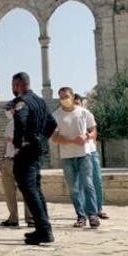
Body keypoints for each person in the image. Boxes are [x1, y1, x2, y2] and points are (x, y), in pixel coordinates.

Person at [10, 72, 57, 245]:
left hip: (27, 151)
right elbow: (52, 124)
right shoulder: (40, 101)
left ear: (18, 85)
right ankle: (43, 228)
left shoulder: (22, 102)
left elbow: (21, 121)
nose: (13, 89)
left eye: (14, 85)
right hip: (37, 150)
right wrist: (41, 140)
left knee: (29, 190)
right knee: (36, 189)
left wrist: (20, 142)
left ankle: (44, 230)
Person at [52, 87, 100, 229]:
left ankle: (93, 215)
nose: (64, 99)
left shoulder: (84, 113)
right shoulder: (56, 115)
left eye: (66, 96)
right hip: (67, 156)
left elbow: (93, 130)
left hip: (84, 154)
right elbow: (54, 136)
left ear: (73, 96)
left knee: (88, 184)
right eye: (61, 97)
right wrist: (69, 141)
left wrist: (87, 136)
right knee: (74, 188)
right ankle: (80, 216)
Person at [0, 103, 33, 228]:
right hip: (8, 160)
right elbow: (6, 144)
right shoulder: (9, 124)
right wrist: (2, 160)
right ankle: (13, 218)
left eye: (9, 109)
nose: (8, 112)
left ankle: (30, 219)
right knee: (9, 192)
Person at [74, 94, 108, 219]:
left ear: (81, 103)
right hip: (77, 153)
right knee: (81, 184)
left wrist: (87, 137)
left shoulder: (87, 114)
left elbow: (94, 132)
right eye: (74, 103)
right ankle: (85, 211)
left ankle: (98, 208)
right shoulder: (69, 117)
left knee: (96, 180)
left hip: (91, 151)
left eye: (78, 102)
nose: (76, 105)